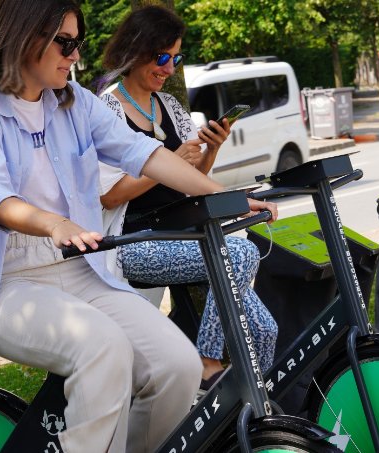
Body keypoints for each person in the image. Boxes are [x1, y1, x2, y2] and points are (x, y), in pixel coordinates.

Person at [0, 1, 277, 452]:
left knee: (178, 365)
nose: (76, 54)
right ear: (24, 36)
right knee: (103, 348)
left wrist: (224, 196)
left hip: (82, 272)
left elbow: (147, 155)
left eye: (77, 43)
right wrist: (54, 223)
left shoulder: (76, 102)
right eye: (65, 42)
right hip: (8, 284)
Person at [96, 5, 278, 389]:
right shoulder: (106, 109)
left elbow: (190, 180)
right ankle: (207, 364)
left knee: (265, 331)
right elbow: (110, 197)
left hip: (183, 235)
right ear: (135, 50)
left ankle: (246, 421)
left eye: (176, 58)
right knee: (240, 252)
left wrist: (211, 150)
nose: (169, 68)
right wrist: (163, 162)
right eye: (162, 57)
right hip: (133, 243)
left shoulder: (170, 106)